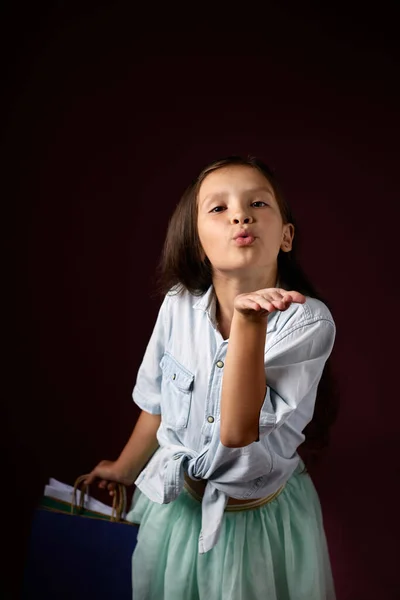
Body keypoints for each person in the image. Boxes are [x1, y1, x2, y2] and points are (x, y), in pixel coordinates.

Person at [85, 156, 337, 600]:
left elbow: (238, 431)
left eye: (258, 203)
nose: (240, 214)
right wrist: (124, 469)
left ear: (286, 236)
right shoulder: (178, 305)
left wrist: (249, 321)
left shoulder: (307, 323)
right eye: (218, 208)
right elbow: (159, 402)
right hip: (176, 510)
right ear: (198, 244)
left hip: (256, 527)